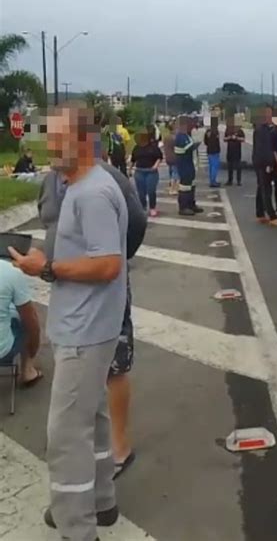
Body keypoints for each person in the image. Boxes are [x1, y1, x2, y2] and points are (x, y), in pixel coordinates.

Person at [9, 103, 128, 540]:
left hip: (85, 329)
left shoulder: (92, 193)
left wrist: (46, 268)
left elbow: (109, 264)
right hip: (89, 325)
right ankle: (101, 503)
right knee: (90, 420)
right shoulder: (78, 185)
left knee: (64, 436)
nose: (46, 144)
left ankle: (76, 527)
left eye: (54, 137)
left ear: (80, 141)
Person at [37, 150, 146, 482]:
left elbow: (136, 223)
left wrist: (109, 257)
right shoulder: (51, 181)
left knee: (114, 366)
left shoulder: (108, 180)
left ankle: (119, 447)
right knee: (80, 381)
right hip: (66, 289)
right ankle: (97, 486)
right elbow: (47, 220)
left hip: (103, 291)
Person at [0, 254, 42, 386]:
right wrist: (33, 348)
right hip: (3, 353)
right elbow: (31, 322)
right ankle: (28, 371)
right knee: (26, 319)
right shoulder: (9, 272)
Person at [252, 107, 277, 226]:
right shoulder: (262, 130)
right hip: (263, 163)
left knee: (261, 187)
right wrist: (269, 164)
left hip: (260, 162)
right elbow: (264, 150)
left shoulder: (266, 129)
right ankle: (272, 216)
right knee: (266, 188)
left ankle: (260, 213)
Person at [175, 116, 203, 216]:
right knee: (185, 187)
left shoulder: (186, 135)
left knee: (191, 186)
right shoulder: (181, 136)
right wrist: (196, 144)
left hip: (190, 164)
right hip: (184, 165)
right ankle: (183, 207)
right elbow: (188, 148)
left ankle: (191, 204)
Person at [131, 129, 163, 217]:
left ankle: (152, 207)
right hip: (139, 171)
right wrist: (130, 169)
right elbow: (133, 160)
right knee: (141, 192)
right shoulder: (136, 147)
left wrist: (155, 166)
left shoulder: (153, 146)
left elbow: (159, 157)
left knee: (151, 190)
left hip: (151, 172)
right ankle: (143, 207)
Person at [224, 117, 245, 186]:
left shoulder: (240, 131)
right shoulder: (228, 130)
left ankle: (239, 180)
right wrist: (229, 137)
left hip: (237, 151)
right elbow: (224, 139)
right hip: (230, 151)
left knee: (238, 166)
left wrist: (236, 138)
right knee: (230, 166)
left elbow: (243, 139)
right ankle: (230, 180)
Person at [204, 118, 221, 188]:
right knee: (215, 167)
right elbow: (217, 140)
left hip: (209, 150)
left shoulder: (208, 131)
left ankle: (212, 181)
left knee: (211, 167)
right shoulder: (215, 131)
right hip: (215, 151)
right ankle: (213, 182)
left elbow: (205, 141)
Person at [163, 122, 179, 195]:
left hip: (168, 157)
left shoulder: (166, 137)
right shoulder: (175, 138)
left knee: (171, 172)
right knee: (175, 173)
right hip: (175, 157)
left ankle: (171, 186)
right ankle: (173, 189)